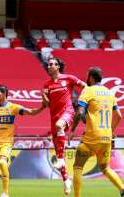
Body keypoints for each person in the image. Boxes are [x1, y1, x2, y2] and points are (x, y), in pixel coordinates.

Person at [69, 67, 124, 197]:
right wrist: (111, 130)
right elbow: (119, 116)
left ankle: (77, 196)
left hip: (91, 137)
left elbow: (80, 112)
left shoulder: (88, 90)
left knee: (78, 166)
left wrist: (72, 131)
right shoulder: (109, 92)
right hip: (106, 138)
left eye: (87, 76)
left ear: (91, 78)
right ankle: (122, 189)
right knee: (105, 168)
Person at [0, 85, 46, 197]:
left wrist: (42, 107)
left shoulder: (12, 107)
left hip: (6, 143)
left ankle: (5, 192)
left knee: (2, 163)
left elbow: (30, 112)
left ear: (4, 94)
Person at [42, 57, 86, 195]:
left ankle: (60, 159)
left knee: (59, 126)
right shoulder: (46, 85)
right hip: (54, 116)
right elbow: (47, 104)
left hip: (68, 112)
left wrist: (81, 101)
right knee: (58, 148)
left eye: (51, 64)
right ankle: (66, 180)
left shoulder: (69, 78)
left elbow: (85, 86)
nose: (49, 67)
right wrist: (43, 97)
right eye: (48, 65)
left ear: (58, 67)